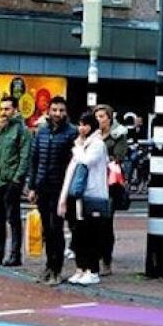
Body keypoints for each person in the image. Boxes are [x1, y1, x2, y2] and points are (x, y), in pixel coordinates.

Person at [23, 96, 75, 282]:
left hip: (60, 188)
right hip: (43, 187)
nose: (58, 114)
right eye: (54, 110)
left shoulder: (72, 133)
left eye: (61, 110)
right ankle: (48, 265)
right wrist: (32, 187)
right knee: (46, 228)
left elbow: (74, 163)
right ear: (49, 111)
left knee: (56, 228)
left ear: (65, 112)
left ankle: (56, 269)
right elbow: (35, 160)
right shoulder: (42, 132)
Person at [59, 109, 112, 286]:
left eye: (85, 125)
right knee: (79, 233)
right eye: (80, 124)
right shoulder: (82, 144)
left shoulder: (97, 144)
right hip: (79, 197)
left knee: (91, 234)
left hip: (93, 195)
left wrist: (77, 148)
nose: (81, 128)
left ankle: (93, 270)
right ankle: (81, 269)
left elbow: (86, 161)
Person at [0, 94, 29, 267]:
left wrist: (17, 180)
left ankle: (15, 255)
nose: (3, 112)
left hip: (10, 180)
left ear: (15, 110)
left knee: (13, 218)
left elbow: (25, 157)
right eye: (2, 109)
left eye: (7, 109)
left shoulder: (21, 130)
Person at [95, 104, 128, 274]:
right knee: (93, 222)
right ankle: (95, 256)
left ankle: (106, 261)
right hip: (94, 183)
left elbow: (119, 157)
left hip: (109, 184)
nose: (99, 119)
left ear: (109, 117)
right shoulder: (93, 135)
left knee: (106, 223)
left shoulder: (118, 135)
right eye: (97, 116)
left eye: (102, 116)